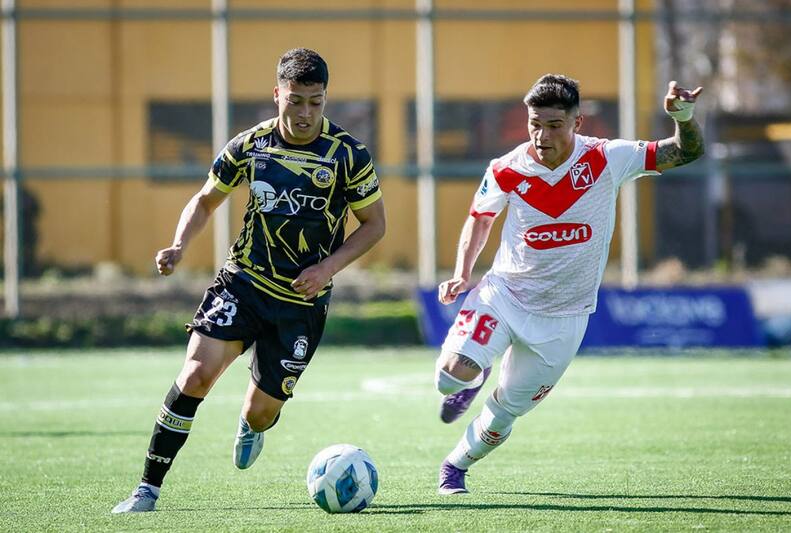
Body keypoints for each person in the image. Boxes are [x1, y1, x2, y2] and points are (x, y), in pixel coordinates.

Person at [112, 48, 386, 513]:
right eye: (295, 101)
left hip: (300, 304)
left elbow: (375, 225)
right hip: (243, 283)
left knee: (262, 414)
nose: (304, 114)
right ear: (277, 93)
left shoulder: (347, 155)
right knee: (196, 376)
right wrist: (179, 245)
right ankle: (146, 490)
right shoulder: (250, 146)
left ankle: (251, 423)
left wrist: (327, 269)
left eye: (315, 103)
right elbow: (204, 201)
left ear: (326, 99)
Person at [434, 74, 704, 494]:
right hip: (504, 295)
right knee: (449, 378)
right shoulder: (505, 169)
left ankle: (455, 466)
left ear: (577, 124)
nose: (541, 135)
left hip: (564, 319)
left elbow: (686, 152)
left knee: (506, 413)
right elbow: (480, 218)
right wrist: (461, 272)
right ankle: (474, 373)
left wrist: (683, 117)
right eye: (534, 124)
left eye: (553, 125)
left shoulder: (607, 158)